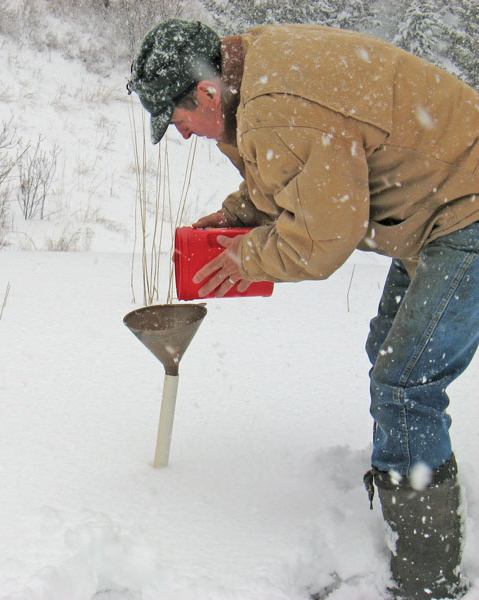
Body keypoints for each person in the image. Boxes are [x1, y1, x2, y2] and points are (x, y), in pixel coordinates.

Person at [127, 18, 479, 600]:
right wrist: (243, 216)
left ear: (207, 93)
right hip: (438, 198)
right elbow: (302, 165)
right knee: (390, 356)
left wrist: (249, 258)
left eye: (179, 118)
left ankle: (429, 578)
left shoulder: (275, 109)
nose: (183, 134)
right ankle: (404, 476)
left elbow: (322, 238)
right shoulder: (251, 67)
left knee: (406, 382)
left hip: (464, 209)